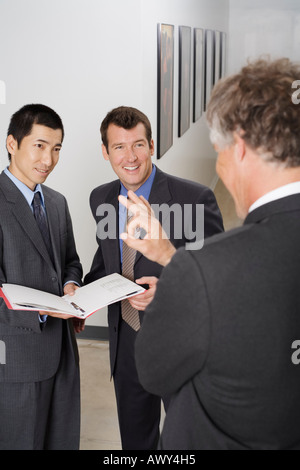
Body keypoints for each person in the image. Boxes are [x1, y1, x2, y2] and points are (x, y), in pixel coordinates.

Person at [120, 58, 300, 450]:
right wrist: (171, 254)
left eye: (217, 149)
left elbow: (153, 372)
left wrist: (182, 269)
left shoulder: (208, 267)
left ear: (238, 147)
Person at [84, 106, 224, 450]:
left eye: (138, 145)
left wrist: (170, 288)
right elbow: (106, 263)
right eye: (119, 147)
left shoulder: (195, 199)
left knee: (187, 441)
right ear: (106, 152)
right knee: (135, 441)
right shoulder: (101, 198)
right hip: (126, 343)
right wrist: (79, 294)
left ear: (151, 146)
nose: (130, 157)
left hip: (179, 342)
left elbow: (217, 277)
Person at [0, 104, 83, 450]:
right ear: (12, 144)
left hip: (63, 353)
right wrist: (45, 310)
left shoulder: (57, 202)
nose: (48, 159)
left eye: (57, 148)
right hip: (18, 361)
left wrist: (71, 285)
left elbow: (71, 262)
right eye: (39, 145)